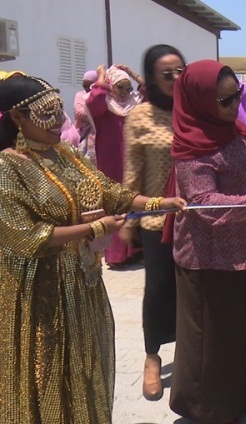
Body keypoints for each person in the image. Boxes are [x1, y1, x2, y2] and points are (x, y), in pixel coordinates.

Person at [0, 74, 185, 423]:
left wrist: (159, 202)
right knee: (48, 369)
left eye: (58, 111)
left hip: (82, 284)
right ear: (18, 118)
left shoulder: (67, 154)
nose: (58, 121)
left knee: (86, 363)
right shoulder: (8, 167)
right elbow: (26, 236)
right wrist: (96, 228)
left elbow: (111, 192)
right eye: (46, 114)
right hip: (42, 292)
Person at [165, 60, 246, 423]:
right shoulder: (192, 146)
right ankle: (208, 409)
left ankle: (238, 397)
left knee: (239, 331)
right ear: (201, 102)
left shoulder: (236, 130)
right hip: (207, 257)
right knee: (209, 339)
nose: (235, 105)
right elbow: (203, 203)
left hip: (241, 249)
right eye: (225, 100)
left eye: (237, 95)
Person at [120, 44, 185, 401]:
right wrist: (128, 218)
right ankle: (152, 357)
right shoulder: (140, 117)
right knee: (158, 290)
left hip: (195, 218)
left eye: (180, 70)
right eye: (166, 74)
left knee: (193, 292)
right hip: (156, 219)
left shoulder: (195, 111)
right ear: (152, 78)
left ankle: (190, 355)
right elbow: (133, 172)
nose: (175, 78)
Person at [87, 64, 144, 266]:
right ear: (110, 86)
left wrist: (132, 73)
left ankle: (135, 249)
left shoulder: (134, 104)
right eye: (120, 87)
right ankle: (117, 255)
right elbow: (94, 99)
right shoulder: (104, 107)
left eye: (128, 88)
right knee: (114, 203)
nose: (125, 92)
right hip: (111, 161)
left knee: (134, 200)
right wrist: (102, 75)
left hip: (134, 162)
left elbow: (150, 92)